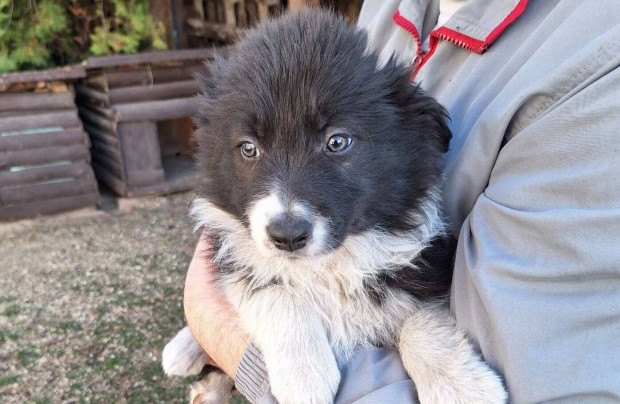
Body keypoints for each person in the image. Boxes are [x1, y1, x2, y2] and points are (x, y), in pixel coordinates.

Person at [183, 0, 620, 402]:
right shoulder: (389, 6)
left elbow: (428, 310)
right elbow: (237, 270)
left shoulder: (597, 57)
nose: (285, 205)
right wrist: (260, 323)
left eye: (336, 142)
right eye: (249, 149)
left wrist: (216, 327)